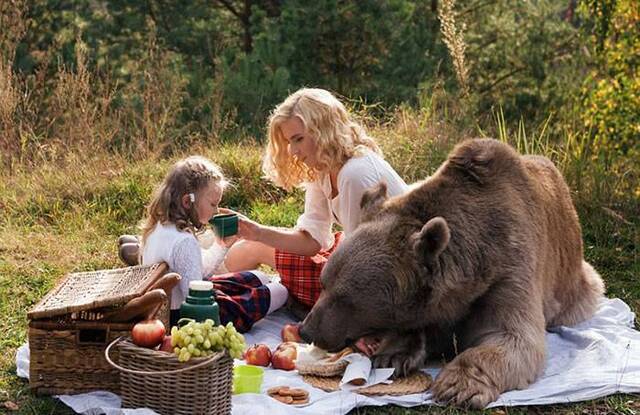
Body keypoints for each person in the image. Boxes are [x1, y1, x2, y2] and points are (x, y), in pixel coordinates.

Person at [222, 88, 408, 315]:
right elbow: (312, 241)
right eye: (290, 142)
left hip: (395, 283)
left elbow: (360, 262)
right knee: (252, 246)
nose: (293, 151)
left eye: (298, 139)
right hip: (360, 262)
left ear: (323, 130)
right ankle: (213, 286)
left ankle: (211, 289)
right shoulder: (323, 168)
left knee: (255, 251)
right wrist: (257, 231)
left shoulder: (354, 173)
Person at [137, 155, 288, 331]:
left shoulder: (159, 226)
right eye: (213, 204)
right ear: (187, 202)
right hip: (190, 317)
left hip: (178, 303)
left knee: (259, 277)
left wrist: (222, 245)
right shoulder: (184, 241)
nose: (216, 211)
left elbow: (197, 272)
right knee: (280, 291)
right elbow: (195, 298)